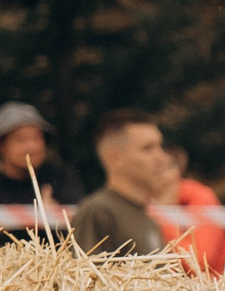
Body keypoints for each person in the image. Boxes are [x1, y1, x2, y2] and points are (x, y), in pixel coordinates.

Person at [0, 102, 86, 251]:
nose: (32, 147)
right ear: (1, 147)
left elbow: (82, 231)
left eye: (37, 138)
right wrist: (38, 220)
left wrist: (56, 215)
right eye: (21, 140)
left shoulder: (63, 179)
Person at [70, 110, 172, 257]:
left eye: (160, 146)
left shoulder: (145, 215)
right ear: (113, 157)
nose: (162, 157)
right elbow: (86, 275)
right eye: (148, 148)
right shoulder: (99, 211)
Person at [159, 145, 225, 277]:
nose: (161, 176)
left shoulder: (200, 198)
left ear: (177, 171)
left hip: (208, 290)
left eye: (166, 168)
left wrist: (163, 216)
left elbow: (199, 261)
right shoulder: (136, 202)